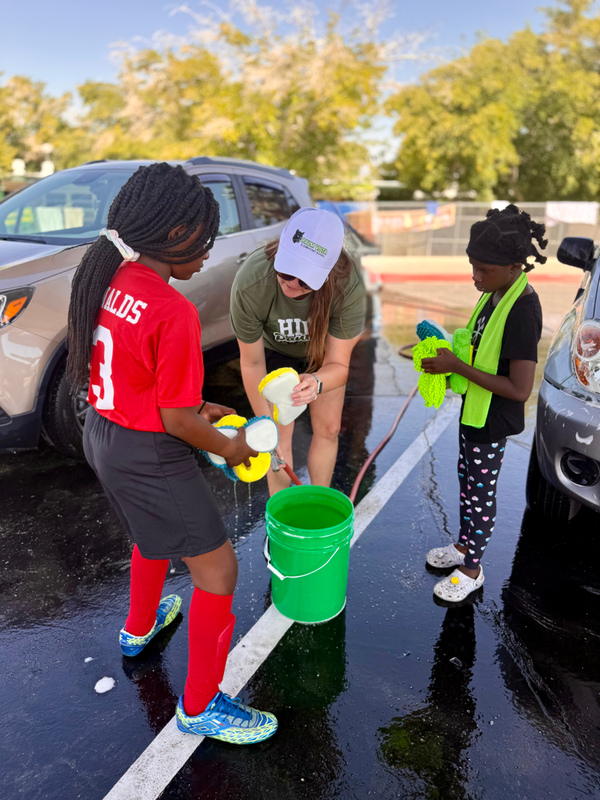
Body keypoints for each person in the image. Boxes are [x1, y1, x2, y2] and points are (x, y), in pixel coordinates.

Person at [67, 162, 277, 744]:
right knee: (218, 569)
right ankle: (203, 703)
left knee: (147, 531)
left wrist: (204, 406)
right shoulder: (171, 308)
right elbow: (177, 420)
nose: (209, 255)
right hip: (149, 452)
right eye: (205, 242)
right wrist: (232, 448)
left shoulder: (112, 279)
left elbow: (157, 388)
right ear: (178, 235)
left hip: (106, 437)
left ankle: (139, 627)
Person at [421, 204, 545, 603]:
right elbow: (480, 349)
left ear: (514, 265)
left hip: (493, 419)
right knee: (466, 483)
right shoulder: (497, 293)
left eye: (484, 270)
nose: (476, 276)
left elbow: (520, 388)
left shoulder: (522, 311)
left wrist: (456, 364)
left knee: (481, 493)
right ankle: (462, 547)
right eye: (472, 266)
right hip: (475, 412)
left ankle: (472, 569)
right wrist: (448, 357)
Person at [230, 207, 367, 494]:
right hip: (274, 354)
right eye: (286, 270)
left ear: (327, 273)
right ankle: (283, 518)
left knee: (329, 429)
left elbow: (338, 365)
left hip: (322, 359)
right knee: (277, 439)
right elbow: (252, 363)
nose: (291, 283)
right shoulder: (251, 281)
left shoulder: (347, 285)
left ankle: (318, 504)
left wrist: (317, 382)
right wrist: (265, 425)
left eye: (305, 280)